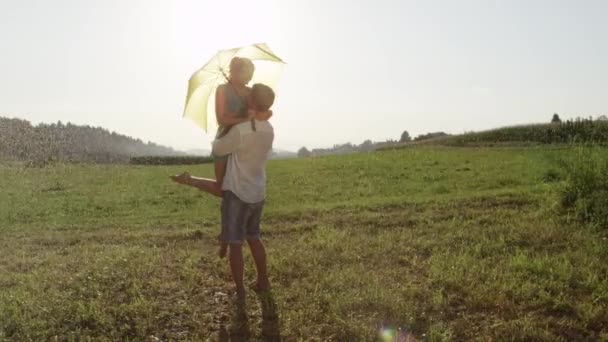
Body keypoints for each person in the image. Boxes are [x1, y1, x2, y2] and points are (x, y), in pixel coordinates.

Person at [176, 86, 276, 301]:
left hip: (237, 193)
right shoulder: (269, 128)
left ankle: (240, 290)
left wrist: (224, 130)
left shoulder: (241, 130)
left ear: (250, 102)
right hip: (257, 192)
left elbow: (219, 149)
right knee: (254, 238)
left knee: (235, 244)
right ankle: (263, 280)